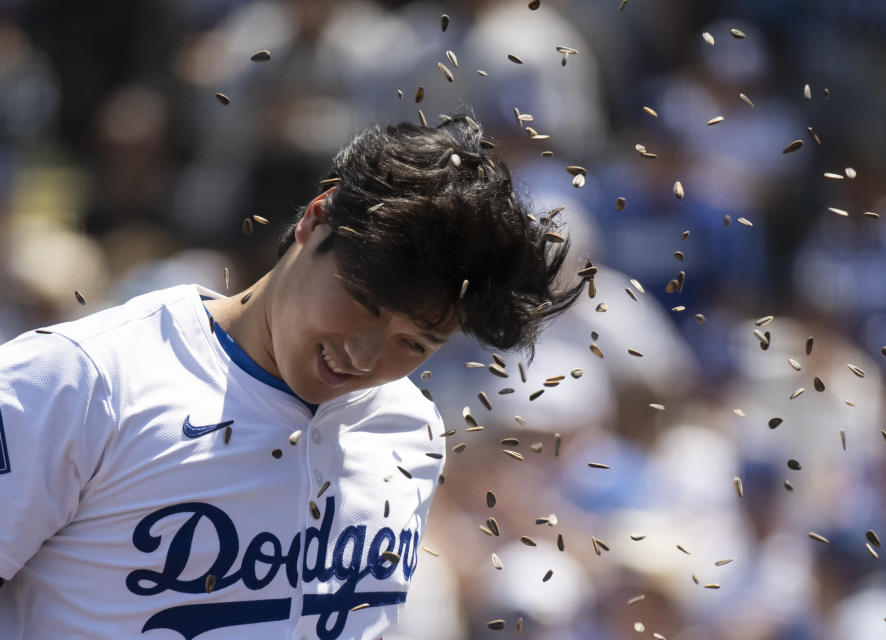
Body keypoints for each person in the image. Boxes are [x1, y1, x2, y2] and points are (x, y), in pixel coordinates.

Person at [0, 115, 584, 639]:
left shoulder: (411, 430)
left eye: (414, 343)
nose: (362, 355)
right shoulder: (83, 378)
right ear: (316, 219)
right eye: (363, 302)